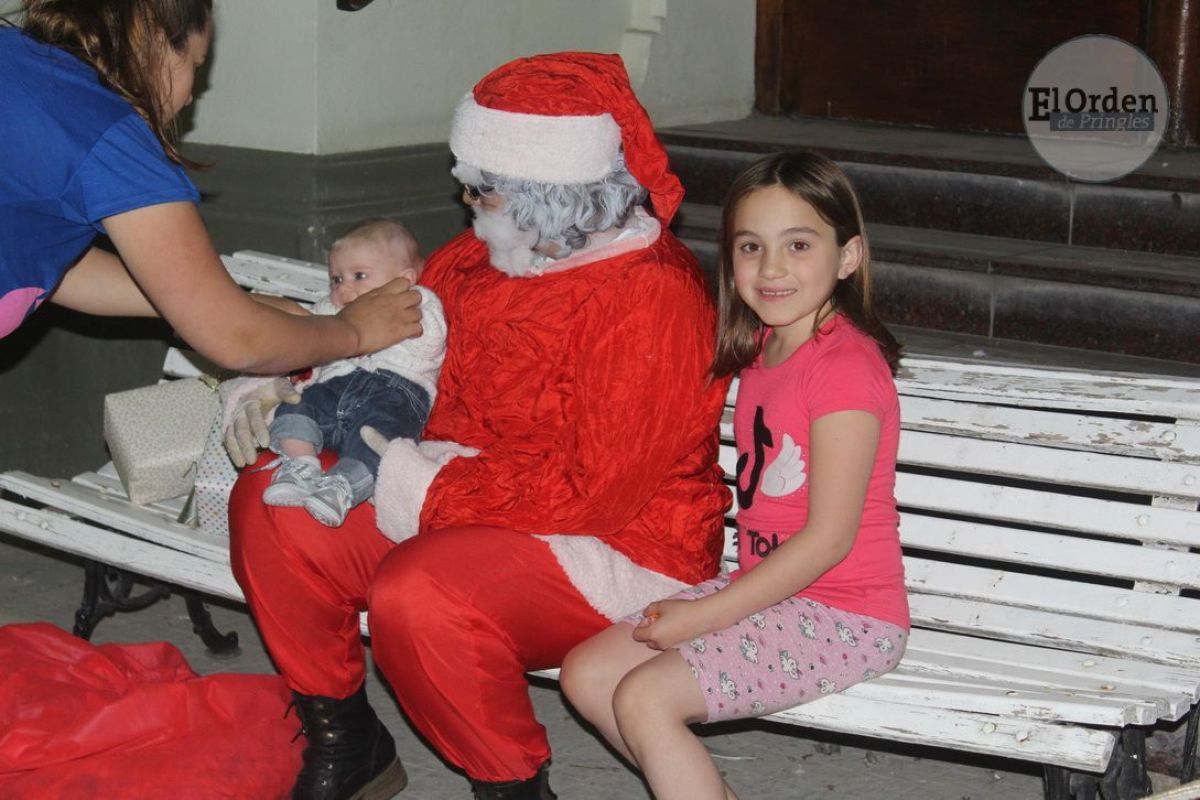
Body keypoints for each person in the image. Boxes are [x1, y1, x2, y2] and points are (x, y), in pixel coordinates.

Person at [226, 52, 731, 800]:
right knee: (273, 504)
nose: (464, 198)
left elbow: (593, 493)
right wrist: (288, 384)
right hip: (459, 487)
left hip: (618, 539)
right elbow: (388, 351)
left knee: (421, 594)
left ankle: (511, 786)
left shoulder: (653, 296)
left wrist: (420, 483)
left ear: (549, 194)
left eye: (483, 189)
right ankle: (348, 741)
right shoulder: (477, 258)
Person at [559, 151, 911, 800]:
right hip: (767, 589)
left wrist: (706, 617)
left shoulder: (845, 369)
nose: (772, 268)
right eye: (751, 246)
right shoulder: (764, 348)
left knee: (645, 698)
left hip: (846, 614)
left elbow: (828, 540)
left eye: (798, 244)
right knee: (587, 673)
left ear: (848, 256)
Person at [0, 0, 420, 375]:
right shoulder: (108, 136)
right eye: (195, 66)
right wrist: (352, 332)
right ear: (150, 33)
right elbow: (240, 340)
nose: (188, 99)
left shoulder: (17, 62)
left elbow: (40, 262)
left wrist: (206, 305)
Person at [262, 219, 446, 528]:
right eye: (336, 279)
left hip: (394, 391)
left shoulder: (417, 302)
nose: (344, 288)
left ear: (404, 280)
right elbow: (306, 336)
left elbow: (430, 342)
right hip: (335, 387)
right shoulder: (331, 309)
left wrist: (369, 329)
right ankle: (300, 464)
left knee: (381, 442)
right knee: (297, 405)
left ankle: (342, 487)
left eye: (359, 276)